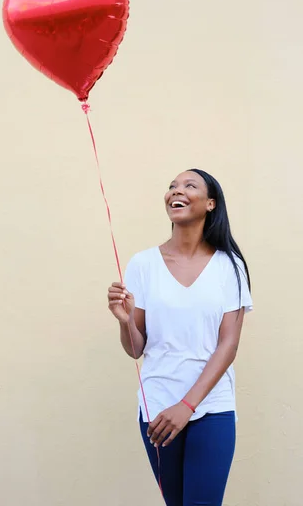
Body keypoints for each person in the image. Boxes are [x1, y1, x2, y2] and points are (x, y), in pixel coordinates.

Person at [107, 169, 253, 506]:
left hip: (211, 408)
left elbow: (228, 346)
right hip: (158, 409)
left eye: (190, 185)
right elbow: (136, 348)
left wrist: (186, 406)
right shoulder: (143, 264)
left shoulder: (229, 266)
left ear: (211, 203)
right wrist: (125, 321)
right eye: (173, 185)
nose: (178, 190)